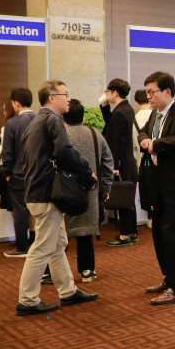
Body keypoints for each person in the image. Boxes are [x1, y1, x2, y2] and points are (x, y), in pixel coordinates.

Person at [15, 80, 98, 316]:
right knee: (42, 247)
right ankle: (27, 300)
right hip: (47, 194)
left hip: (37, 191)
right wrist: (86, 170)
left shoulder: (35, 122)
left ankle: (68, 291)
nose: (68, 99)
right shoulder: (52, 120)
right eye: (65, 94)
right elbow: (64, 152)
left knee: (58, 244)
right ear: (52, 98)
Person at [138, 71, 175, 305]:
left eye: (152, 92)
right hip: (156, 183)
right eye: (147, 92)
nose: (148, 96)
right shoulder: (156, 113)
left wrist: (157, 144)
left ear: (167, 91)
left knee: (173, 236)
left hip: (174, 185)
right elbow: (144, 131)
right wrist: (144, 140)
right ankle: (169, 277)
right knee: (159, 234)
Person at [63, 100, 113, 282]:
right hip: (90, 190)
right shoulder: (95, 133)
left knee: (60, 234)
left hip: (64, 190)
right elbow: (108, 162)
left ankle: (52, 272)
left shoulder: (60, 135)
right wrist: (105, 187)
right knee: (85, 232)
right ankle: (87, 270)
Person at [100, 78, 138, 247]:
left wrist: (114, 166)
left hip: (121, 163)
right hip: (127, 161)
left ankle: (125, 234)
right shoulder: (125, 109)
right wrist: (105, 107)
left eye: (108, 92)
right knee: (127, 198)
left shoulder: (120, 112)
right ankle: (132, 231)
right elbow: (111, 127)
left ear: (115, 93)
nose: (106, 94)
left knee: (123, 198)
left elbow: (115, 142)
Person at [1, 88, 37, 258]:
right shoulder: (41, 120)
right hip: (38, 174)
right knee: (38, 209)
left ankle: (22, 247)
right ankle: (38, 243)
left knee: (20, 211)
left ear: (16, 104)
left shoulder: (12, 124)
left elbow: (7, 152)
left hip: (18, 174)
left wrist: (7, 172)